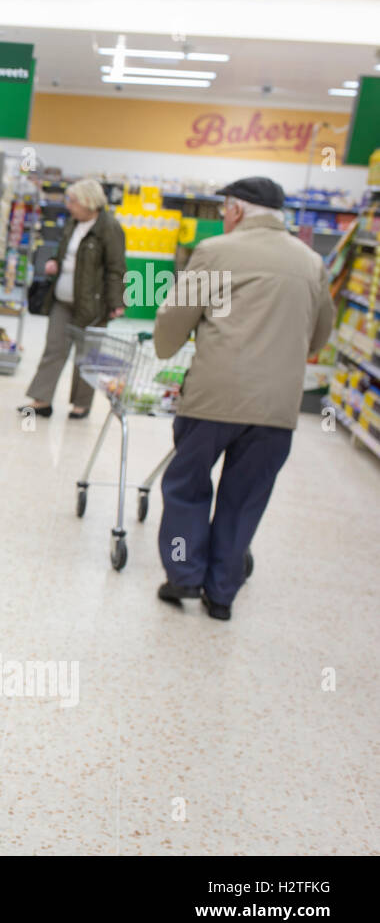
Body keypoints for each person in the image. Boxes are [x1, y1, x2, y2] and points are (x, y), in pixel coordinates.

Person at [153, 176, 334, 620]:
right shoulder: (311, 263)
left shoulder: (217, 252)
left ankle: (183, 575)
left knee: (186, 489)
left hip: (215, 397)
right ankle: (222, 595)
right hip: (277, 407)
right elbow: (320, 333)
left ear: (235, 210)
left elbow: (176, 317)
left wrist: (165, 347)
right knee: (244, 499)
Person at [21, 178, 127, 419]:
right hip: (62, 299)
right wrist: (55, 264)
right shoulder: (73, 223)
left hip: (92, 304)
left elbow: (116, 268)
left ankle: (81, 405)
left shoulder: (109, 228)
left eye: (73, 201)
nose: (69, 205)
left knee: (86, 356)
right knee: (54, 349)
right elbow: (65, 255)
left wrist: (116, 302)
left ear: (89, 202)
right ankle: (41, 400)